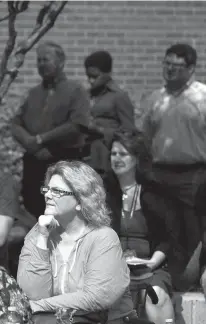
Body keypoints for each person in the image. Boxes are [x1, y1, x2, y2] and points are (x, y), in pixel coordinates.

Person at [17, 160, 139, 324]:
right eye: (47, 189)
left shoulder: (103, 237)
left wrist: (37, 306)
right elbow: (32, 293)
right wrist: (42, 239)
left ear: (81, 202)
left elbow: (95, 298)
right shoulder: (38, 233)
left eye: (57, 191)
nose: (47, 195)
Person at [137, 43, 206, 292]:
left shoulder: (202, 96)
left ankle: (195, 278)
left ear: (190, 68)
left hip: (195, 174)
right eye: (166, 64)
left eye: (175, 66)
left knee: (193, 229)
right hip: (160, 175)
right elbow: (143, 139)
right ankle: (170, 278)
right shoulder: (155, 98)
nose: (169, 70)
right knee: (166, 228)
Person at [12, 41, 90, 218]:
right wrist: (29, 142)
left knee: (63, 214)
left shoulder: (76, 90)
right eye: (38, 60)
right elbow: (15, 123)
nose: (41, 64)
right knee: (34, 210)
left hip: (63, 163)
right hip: (34, 164)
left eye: (45, 59)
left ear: (61, 62)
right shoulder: (33, 93)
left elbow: (77, 125)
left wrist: (41, 139)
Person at [104, 131, 174, 324]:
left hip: (150, 265)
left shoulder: (153, 193)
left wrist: (152, 262)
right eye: (113, 154)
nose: (116, 158)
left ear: (136, 159)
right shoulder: (103, 191)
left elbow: (167, 239)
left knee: (156, 297)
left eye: (122, 154)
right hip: (112, 266)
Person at [83, 50, 136, 175]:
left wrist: (100, 130)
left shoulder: (119, 96)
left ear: (108, 73)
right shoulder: (86, 95)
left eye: (95, 77)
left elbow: (129, 132)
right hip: (85, 158)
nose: (90, 81)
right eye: (88, 76)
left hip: (107, 161)